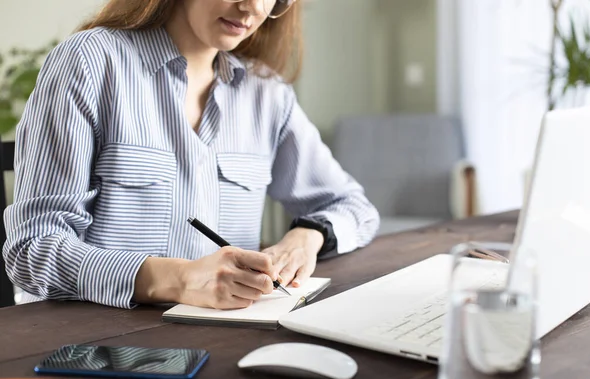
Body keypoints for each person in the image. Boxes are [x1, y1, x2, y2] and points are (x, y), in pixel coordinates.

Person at [3, 0, 379, 310]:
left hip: (224, 342)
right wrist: (177, 279)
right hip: (92, 345)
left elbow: (353, 207)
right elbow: (32, 248)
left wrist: (307, 235)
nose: (252, 8)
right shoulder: (89, 63)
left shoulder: (268, 95)